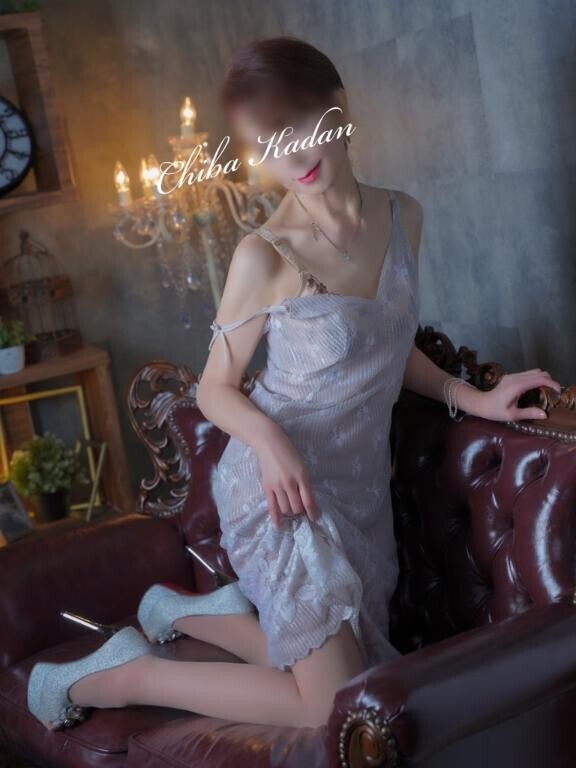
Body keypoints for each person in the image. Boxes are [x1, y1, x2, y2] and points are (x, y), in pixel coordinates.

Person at [27, 35, 562, 733]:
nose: (290, 157)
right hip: (277, 489)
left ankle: (189, 614)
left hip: (356, 492)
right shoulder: (265, 254)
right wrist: (271, 441)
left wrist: (474, 397)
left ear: (338, 108)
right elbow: (214, 389)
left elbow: (386, 342)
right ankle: (118, 674)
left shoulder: (404, 215)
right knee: (328, 706)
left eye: (298, 127)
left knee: (360, 675)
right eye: (265, 144)